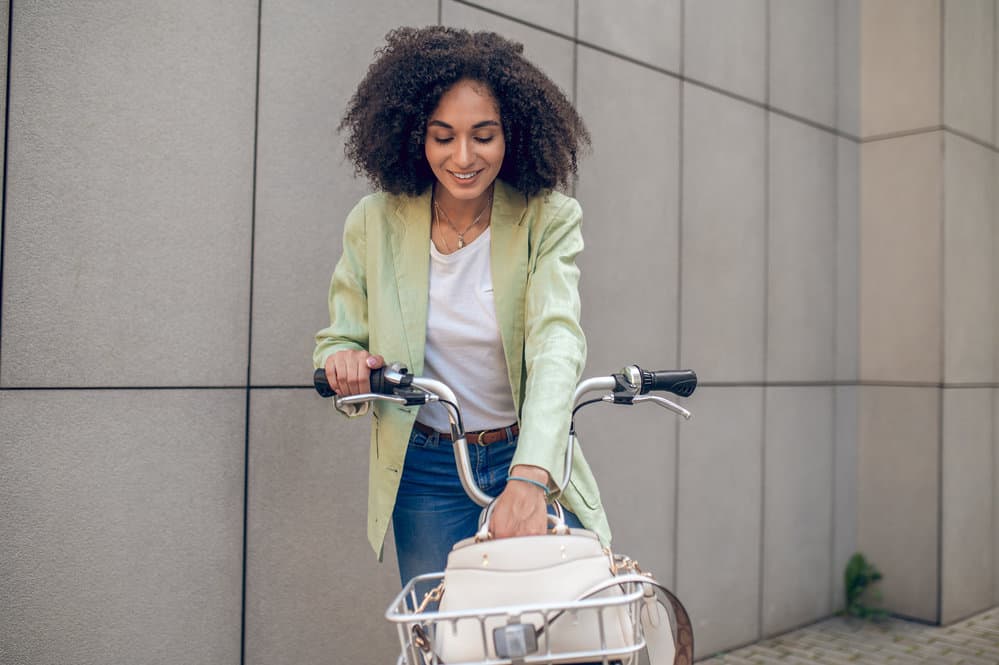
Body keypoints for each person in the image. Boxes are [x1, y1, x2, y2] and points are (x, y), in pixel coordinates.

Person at [313, 26, 610, 587]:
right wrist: (345, 363)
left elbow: (557, 339)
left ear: (513, 135)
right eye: (443, 136)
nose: (464, 156)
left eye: (484, 135)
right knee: (446, 637)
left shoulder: (548, 217)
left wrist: (530, 475)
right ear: (415, 137)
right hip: (426, 469)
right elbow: (340, 338)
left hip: (527, 453)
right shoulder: (374, 221)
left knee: (564, 627)